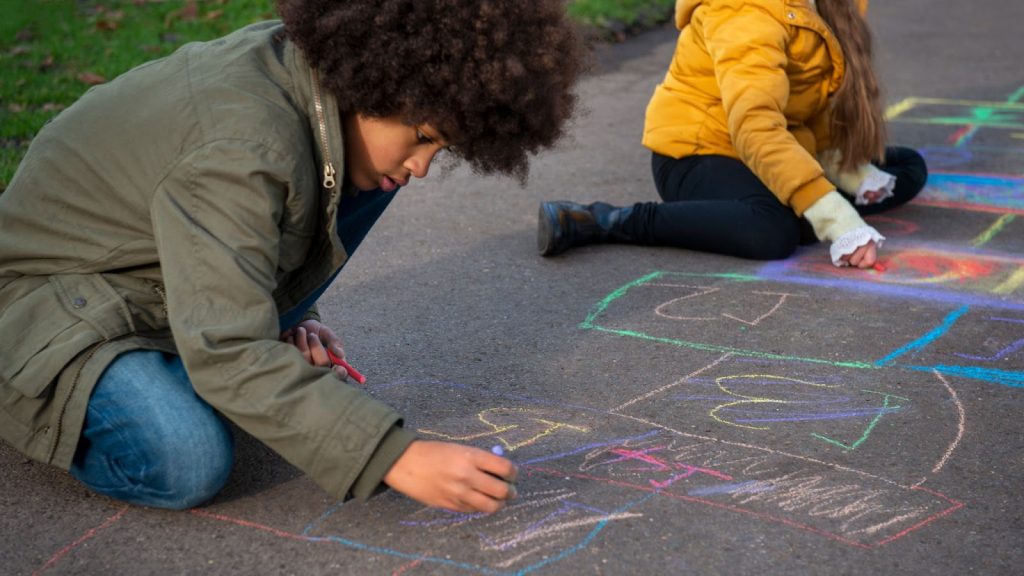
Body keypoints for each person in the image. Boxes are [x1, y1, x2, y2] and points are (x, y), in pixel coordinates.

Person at [0, 0, 584, 512]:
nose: (424, 166)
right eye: (423, 136)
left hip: (140, 276)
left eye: (444, 147)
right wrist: (393, 457)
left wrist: (296, 317)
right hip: (47, 304)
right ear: (375, 81)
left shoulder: (318, 97)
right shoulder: (244, 148)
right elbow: (227, 347)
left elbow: (249, 238)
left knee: (380, 181)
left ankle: (215, 357)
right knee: (186, 457)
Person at [538, 0, 927, 269]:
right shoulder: (744, 8)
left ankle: (800, 206)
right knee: (772, 233)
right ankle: (608, 220)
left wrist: (841, 166)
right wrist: (839, 221)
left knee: (906, 168)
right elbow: (754, 126)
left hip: (779, 150)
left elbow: (812, 100)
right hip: (700, 153)